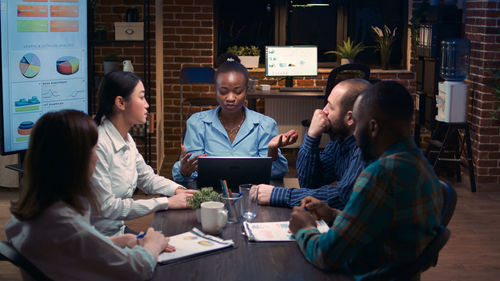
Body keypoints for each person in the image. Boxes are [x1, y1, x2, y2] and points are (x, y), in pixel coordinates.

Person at [289, 81, 444, 280]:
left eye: (358, 123)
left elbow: (327, 255)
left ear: (372, 127)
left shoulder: (380, 175)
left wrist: (305, 229)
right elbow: (379, 222)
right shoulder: (419, 163)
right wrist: (333, 214)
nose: (354, 133)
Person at [6, 110, 174, 280]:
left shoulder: (30, 215)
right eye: (94, 149)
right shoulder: (67, 225)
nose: (97, 156)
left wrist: (119, 242)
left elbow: (75, 252)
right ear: (77, 160)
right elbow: (137, 270)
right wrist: (153, 244)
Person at [91, 71, 197, 236]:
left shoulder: (126, 139)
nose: (147, 104)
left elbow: (147, 178)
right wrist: (166, 202)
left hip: (118, 232)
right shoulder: (99, 145)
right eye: (141, 97)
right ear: (120, 102)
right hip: (96, 240)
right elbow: (108, 207)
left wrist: (178, 190)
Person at [172, 53, 297, 184]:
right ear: (215, 90)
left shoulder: (265, 125)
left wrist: (272, 151)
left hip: (252, 194)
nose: (230, 98)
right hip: (210, 198)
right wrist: (184, 170)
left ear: (247, 89)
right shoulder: (197, 123)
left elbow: (276, 174)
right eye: (223, 91)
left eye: (237, 91)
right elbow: (190, 173)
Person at [252, 79, 371, 208]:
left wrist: (278, 194)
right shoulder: (339, 139)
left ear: (350, 118)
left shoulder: (366, 149)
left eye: (330, 107)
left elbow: (342, 197)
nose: (322, 111)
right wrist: (312, 136)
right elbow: (309, 183)